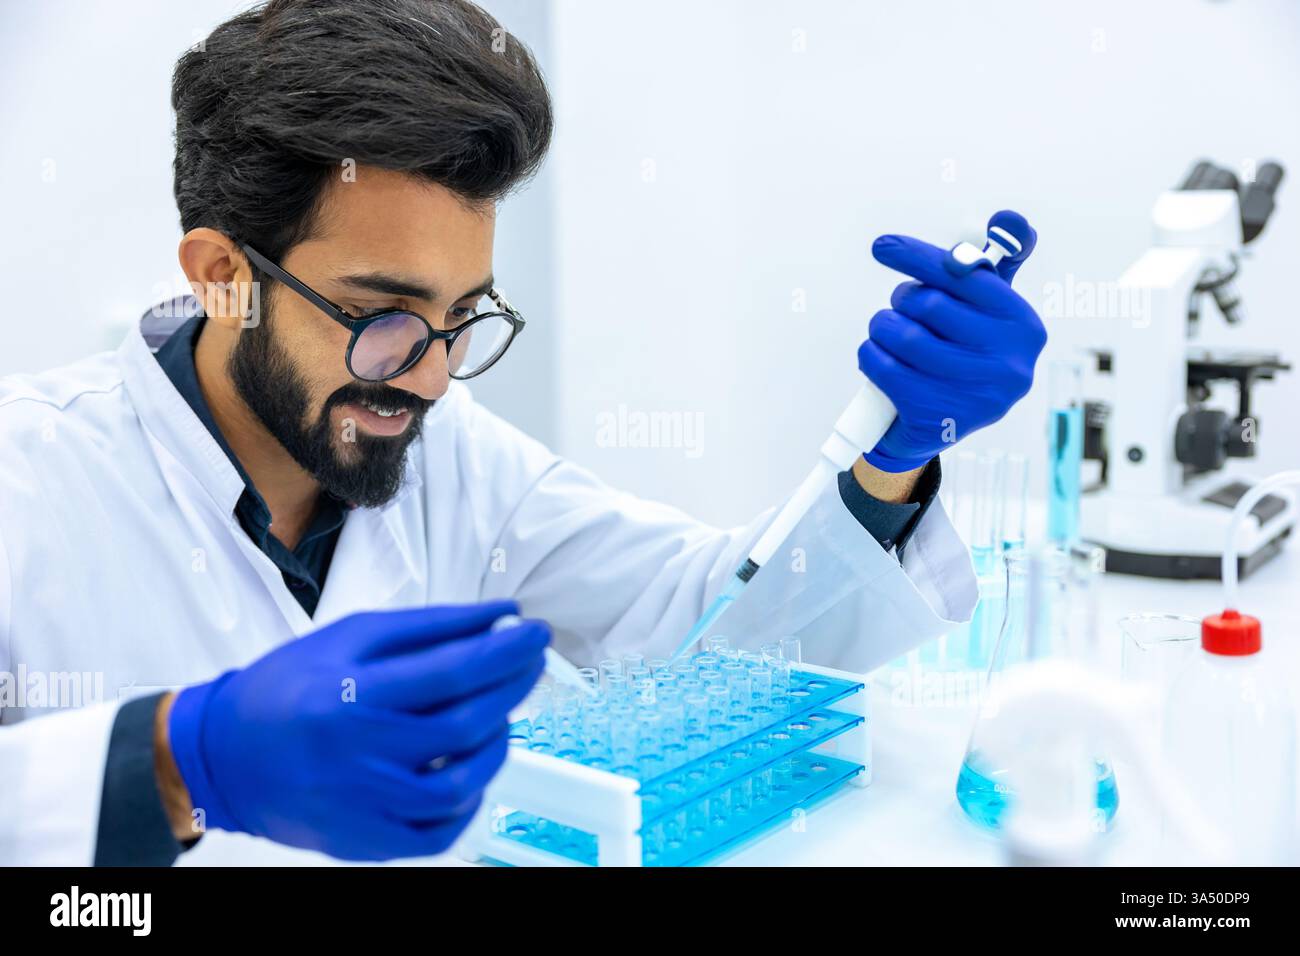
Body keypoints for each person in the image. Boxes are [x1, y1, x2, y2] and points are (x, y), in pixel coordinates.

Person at [0, 0, 1045, 865]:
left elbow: (718, 642)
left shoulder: (450, 454)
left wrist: (888, 462)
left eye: (464, 316)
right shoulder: (30, 488)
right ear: (223, 279)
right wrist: (180, 760)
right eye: (384, 315)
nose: (434, 373)